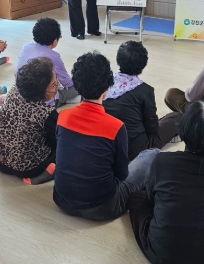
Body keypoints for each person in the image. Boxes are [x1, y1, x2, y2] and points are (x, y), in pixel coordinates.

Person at [128, 100, 204, 264]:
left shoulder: (163, 161)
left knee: (136, 198)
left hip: (164, 257)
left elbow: (150, 198)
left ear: (183, 129)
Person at [53, 51, 159, 221]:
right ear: (107, 87)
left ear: (77, 86)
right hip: (103, 207)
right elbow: (122, 174)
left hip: (62, 201)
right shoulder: (115, 127)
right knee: (151, 154)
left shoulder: (62, 117)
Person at [103, 41, 182, 161]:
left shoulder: (104, 83)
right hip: (135, 150)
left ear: (118, 59)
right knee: (176, 117)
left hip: (107, 145)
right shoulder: (145, 90)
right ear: (143, 64)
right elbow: (152, 129)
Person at [0, 58, 59, 185]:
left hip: (0, 161)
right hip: (28, 168)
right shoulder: (46, 113)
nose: (57, 87)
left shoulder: (14, 90)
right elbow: (58, 141)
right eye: (53, 85)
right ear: (40, 90)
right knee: (70, 145)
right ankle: (49, 172)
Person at [15, 18, 79, 106]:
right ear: (55, 41)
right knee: (78, 86)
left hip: (22, 93)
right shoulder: (53, 57)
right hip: (44, 101)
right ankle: (66, 99)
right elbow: (68, 83)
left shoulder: (26, 47)